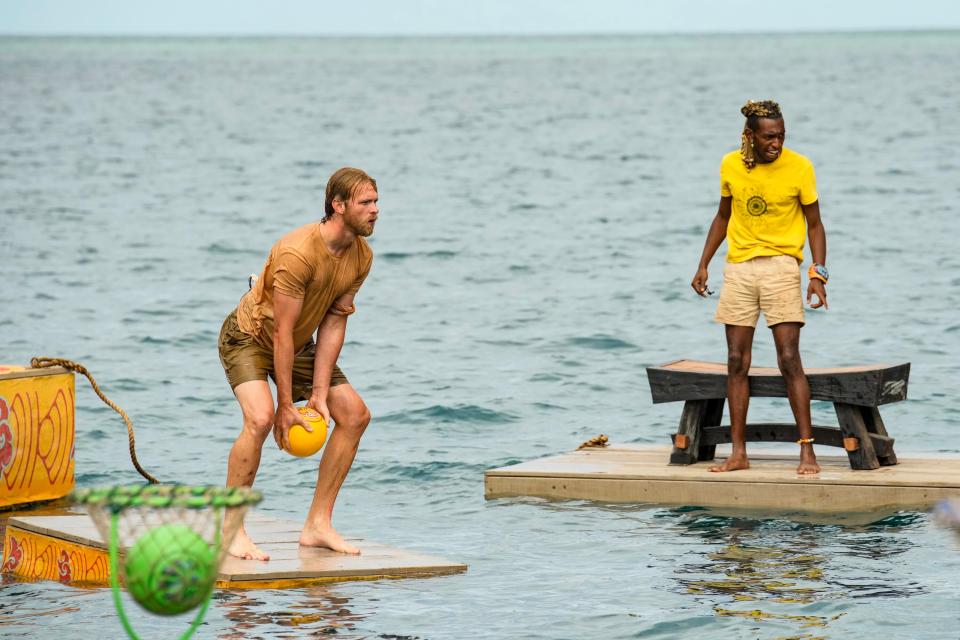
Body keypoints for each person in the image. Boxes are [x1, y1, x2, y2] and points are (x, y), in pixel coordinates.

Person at [218, 167, 378, 559]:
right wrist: (285, 405)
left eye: (376, 202)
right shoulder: (297, 253)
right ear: (338, 206)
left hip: (298, 342)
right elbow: (280, 334)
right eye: (365, 203)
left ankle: (317, 525)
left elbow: (334, 322)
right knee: (259, 417)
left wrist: (320, 393)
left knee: (354, 416)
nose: (375, 210)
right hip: (249, 337)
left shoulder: (361, 256)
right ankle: (232, 532)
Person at [691, 100, 828, 475]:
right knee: (736, 361)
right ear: (749, 135)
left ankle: (807, 451)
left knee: (788, 359)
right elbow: (723, 215)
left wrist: (818, 274)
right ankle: (738, 453)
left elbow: (814, 225)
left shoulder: (800, 167)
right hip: (738, 269)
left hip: (782, 268)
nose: (777, 143)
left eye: (782, 135)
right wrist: (703, 263)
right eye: (770, 136)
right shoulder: (730, 164)